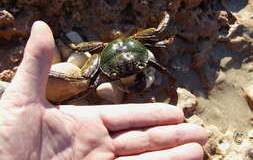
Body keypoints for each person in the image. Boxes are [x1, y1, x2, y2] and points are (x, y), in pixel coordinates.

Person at [0, 21, 208, 160]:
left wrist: (166, 22)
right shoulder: (100, 54)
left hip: (125, 48)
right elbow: (83, 66)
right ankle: (75, 96)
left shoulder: (139, 44)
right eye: (116, 74)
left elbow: (160, 33)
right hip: (105, 54)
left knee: (157, 65)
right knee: (87, 81)